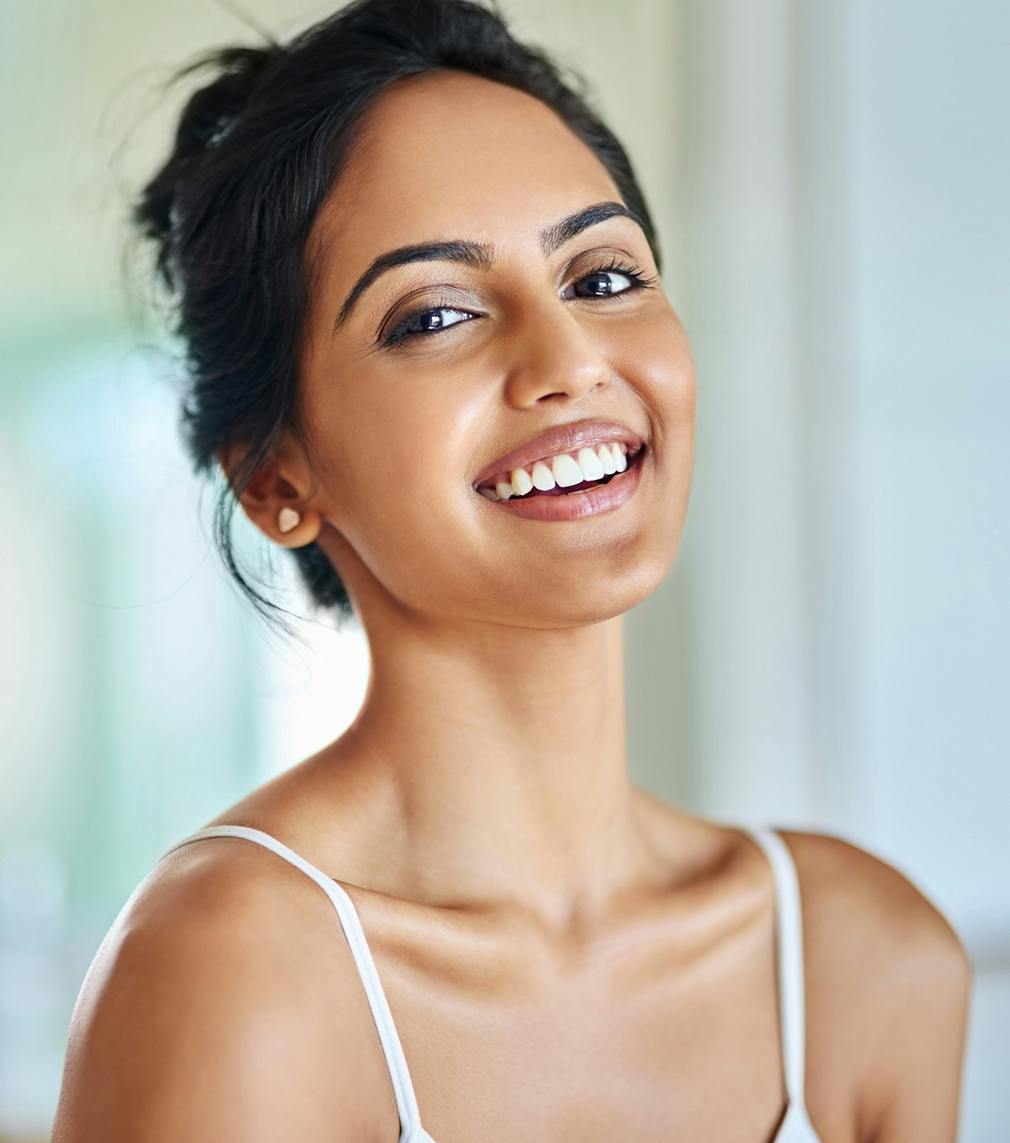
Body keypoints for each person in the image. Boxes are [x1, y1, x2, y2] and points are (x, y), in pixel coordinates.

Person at [51, 1, 972, 1139]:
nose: (567, 359)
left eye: (598, 277)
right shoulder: (235, 972)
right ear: (275, 479)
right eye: (434, 314)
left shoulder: (861, 960)